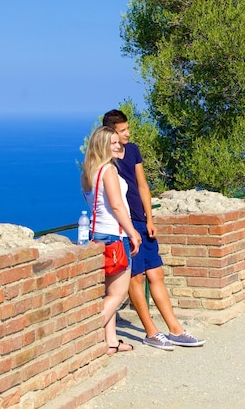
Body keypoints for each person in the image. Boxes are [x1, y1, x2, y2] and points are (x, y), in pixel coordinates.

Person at [103, 109, 205, 350]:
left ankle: (176, 330)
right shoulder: (107, 160)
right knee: (135, 279)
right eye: (122, 131)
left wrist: (150, 218)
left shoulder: (134, 151)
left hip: (142, 220)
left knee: (156, 273)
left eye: (127, 129)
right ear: (110, 133)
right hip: (126, 225)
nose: (127, 134)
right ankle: (151, 331)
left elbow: (142, 184)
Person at [82, 125, 142, 355]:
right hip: (115, 236)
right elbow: (117, 205)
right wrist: (133, 233)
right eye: (113, 143)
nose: (119, 146)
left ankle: (111, 342)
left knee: (109, 293)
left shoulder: (88, 173)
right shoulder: (108, 171)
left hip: (97, 235)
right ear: (102, 146)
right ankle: (84, 339)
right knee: (118, 294)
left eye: (118, 142)